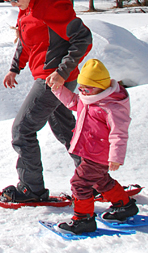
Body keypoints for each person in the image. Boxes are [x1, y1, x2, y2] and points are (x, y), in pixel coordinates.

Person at [0, 0, 92, 203]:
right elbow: (26, 39)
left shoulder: (50, 5)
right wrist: (14, 67)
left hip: (54, 79)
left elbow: (83, 39)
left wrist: (61, 72)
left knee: (22, 130)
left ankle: (31, 189)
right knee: (67, 131)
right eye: (8, 1)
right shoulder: (27, 5)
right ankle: (95, 181)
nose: (12, 5)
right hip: (50, 76)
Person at [51, 59, 139, 234]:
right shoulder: (89, 97)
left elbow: (119, 133)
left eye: (87, 88)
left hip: (100, 154)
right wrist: (58, 89)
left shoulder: (112, 107)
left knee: (80, 183)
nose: (82, 91)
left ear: (101, 86)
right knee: (101, 181)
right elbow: (74, 102)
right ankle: (124, 205)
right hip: (90, 151)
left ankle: (83, 220)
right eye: (81, 87)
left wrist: (116, 157)